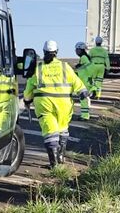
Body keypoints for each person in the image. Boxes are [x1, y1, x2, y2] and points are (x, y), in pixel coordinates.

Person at [23, 40, 88, 168]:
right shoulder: (65, 67)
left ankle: (54, 164)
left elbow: (29, 88)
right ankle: (61, 156)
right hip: (64, 104)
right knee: (63, 128)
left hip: (44, 104)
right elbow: (77, 82)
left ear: (44, 52)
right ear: (56, 52)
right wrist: (83, 92)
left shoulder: (39, 69)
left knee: (50, 132)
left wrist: (27, 100)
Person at [74, 42, 93, 120]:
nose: (76, 51)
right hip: (87, 81)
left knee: (83, 98)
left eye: (77, 49)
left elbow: (83, 69)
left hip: (84, 81)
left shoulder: (83, 58)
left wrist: (78, 68)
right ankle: (86, 114)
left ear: (81, 50)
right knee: (86, 98)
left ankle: (85, 116)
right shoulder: (86, 57)